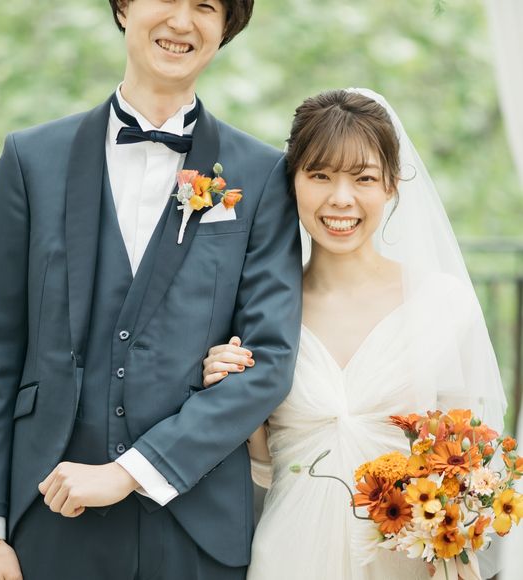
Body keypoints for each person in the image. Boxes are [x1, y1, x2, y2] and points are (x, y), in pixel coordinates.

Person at [0, 1, 302, 579]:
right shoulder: (29, 160)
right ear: (123, 6)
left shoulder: (263, 175)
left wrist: (132, 471)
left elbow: (268, 359)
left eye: (205, 5)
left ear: (226, 26)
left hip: (197, 523)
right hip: (50, 513)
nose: (181, 22)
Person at [202, 88, 507, 580]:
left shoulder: (442, 304)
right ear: (292, 181)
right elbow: (263, 473)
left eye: (363, 178)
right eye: (320, 175)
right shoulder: (257, 311)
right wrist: (227, 388)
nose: (341, 198)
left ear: (392, 185)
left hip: (410, 564)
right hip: (290, 554)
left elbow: (470, 467)